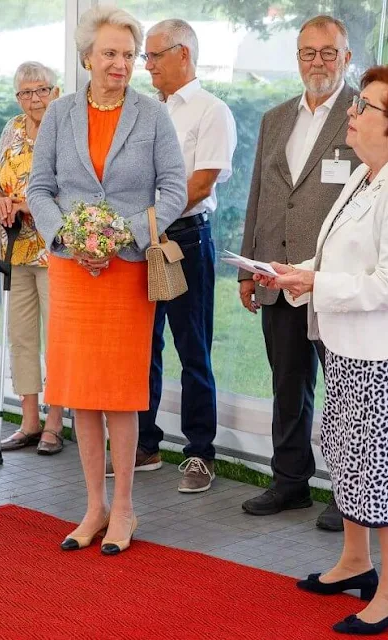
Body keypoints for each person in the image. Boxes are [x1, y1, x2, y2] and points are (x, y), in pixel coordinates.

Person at [256, 65, 388, 634]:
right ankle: (355, 561)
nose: (352, 113)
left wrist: (319, 285)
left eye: (364, 106)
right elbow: (346, 258)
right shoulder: (368, 174)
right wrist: (302, 272)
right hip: (349, 345)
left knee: (383, 471)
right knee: (349, 458)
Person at [28, 6, 186, 554]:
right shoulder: (60, 113)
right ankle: (93, 506)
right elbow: (38, 190)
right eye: (110, 54)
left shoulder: (153, 116)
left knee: (120, 394)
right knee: (80, 394)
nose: (120, 64)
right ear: (88, 58)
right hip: (73, 273)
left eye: (128, 54)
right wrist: (71, 240)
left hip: (125, 273)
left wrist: (122, 239)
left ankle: (124, 510)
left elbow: (174, 190)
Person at [105, 19, 237, 493]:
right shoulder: (142, 111)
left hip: (183, 239)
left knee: (192, 346)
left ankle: (201, 453)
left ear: (184, 54)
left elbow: (200, 183)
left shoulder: (211, 110)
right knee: (143, 346)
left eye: (153, 56)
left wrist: (147, 220)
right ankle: (145, 444)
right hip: (143, 240)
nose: (146, 65)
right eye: (146, 57)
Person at [238, 15, 359, 529]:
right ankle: (290, 483)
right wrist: (249, 265)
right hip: (276, 275)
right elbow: (260, 195)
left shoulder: (362, 116)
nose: (318, 61)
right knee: (287, 384)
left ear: (347, 58)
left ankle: (348, 495)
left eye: (328, 52)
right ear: (297, 58)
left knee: (346, 392)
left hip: (333, 279)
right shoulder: (275, 117)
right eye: (308, 52)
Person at [0, 61, 64, 456]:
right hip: (14, 249)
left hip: (54, 252)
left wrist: (22, 204)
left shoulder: (64, 130)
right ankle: (29, 420)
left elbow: (66, 193)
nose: (34, 99)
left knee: (57, 339)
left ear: (55, 90)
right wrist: (0, 200)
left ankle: (54, 423)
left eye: (41, 90)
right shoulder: (12, 128)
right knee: (21, 337)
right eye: (26, 93)